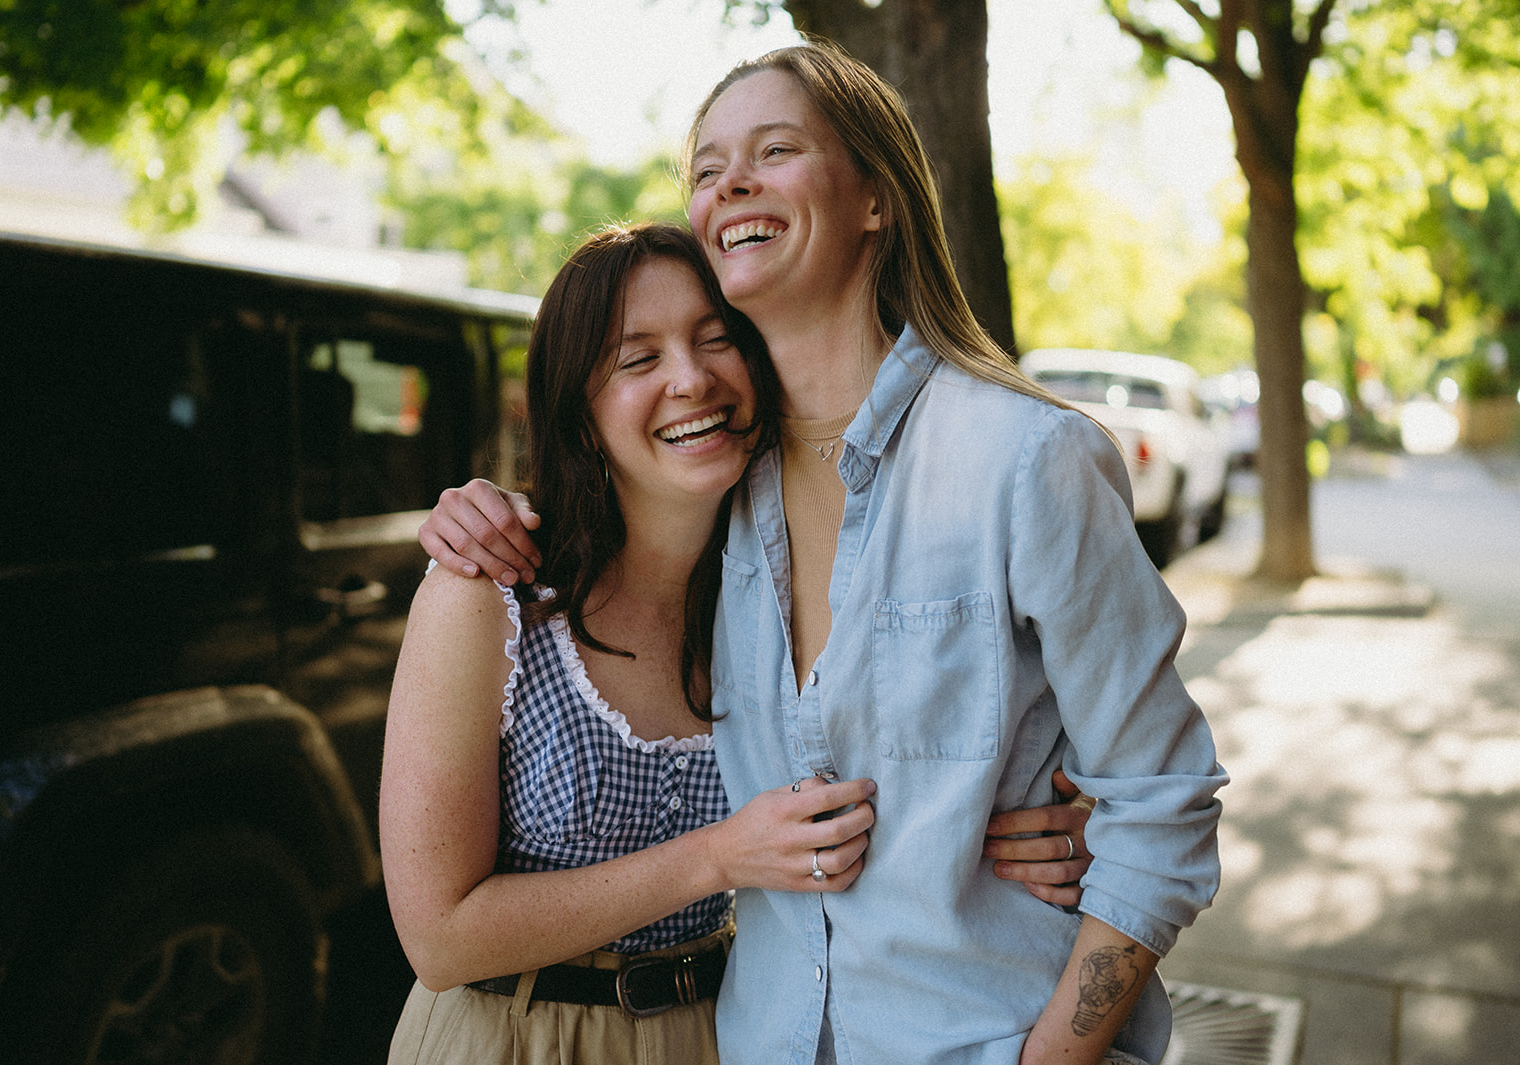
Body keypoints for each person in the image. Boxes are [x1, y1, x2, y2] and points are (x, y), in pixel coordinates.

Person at [418, 41, 1224, 1065]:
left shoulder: (1025, 461)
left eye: (774, 150)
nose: (730, 184)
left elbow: (1160, 801)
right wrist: (470, 513)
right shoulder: (718, 493)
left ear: (875, 198)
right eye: (707, 169)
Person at [380, 222, 881, 1065]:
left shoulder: (791, 597)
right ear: (580, 414)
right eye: (637, 358)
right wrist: (719, 857)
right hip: (516, 1037)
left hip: (722, 1032)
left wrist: (1060, 824)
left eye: (717, 339)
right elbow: (440, 937)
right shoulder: (488, 594)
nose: (692, 379)